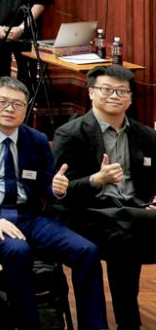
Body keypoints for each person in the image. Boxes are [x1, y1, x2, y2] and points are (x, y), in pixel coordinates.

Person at [0, 77, 107, 330]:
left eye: (18, 104)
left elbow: (45, 185)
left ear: (26, 109)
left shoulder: (36, 139)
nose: (10, 109)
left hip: (27, 216)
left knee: (86, 251)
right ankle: (29, 325)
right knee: (18, 250)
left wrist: (56, 189)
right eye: (2, 102)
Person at [51, 65, 156, 330]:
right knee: (124, 233)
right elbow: (59, 192)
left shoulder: (145, 135)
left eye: (122, 91)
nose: (115, 96)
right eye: (107, 90)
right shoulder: (71, 133)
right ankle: (128, 322)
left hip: (135, 212)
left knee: (127, 226)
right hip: (89, 213)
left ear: (130, 98)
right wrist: (95, 180)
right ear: (91, 93)